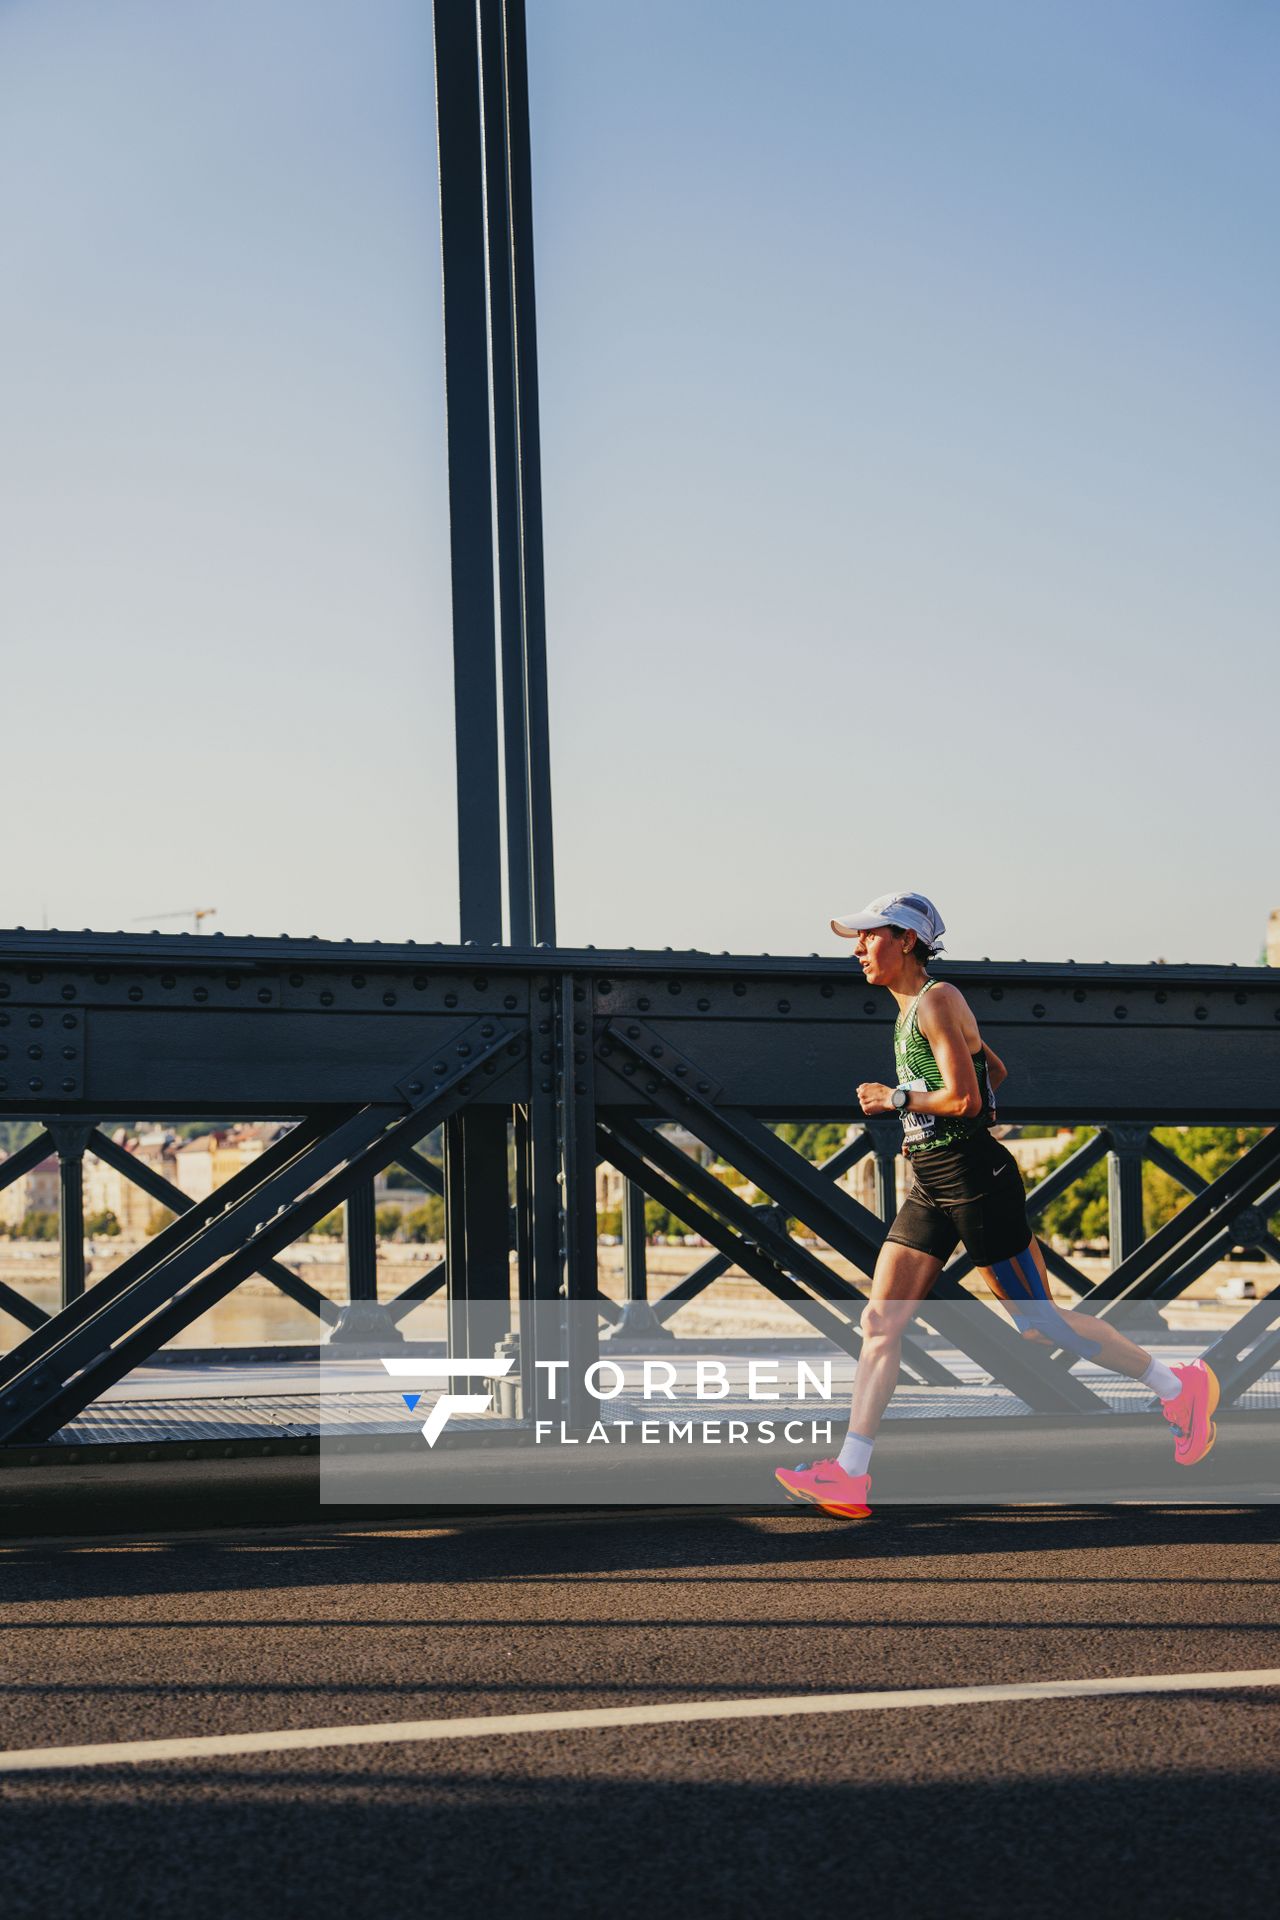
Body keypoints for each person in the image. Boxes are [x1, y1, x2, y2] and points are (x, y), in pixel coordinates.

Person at [776, 890, 1219, 1520]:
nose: (858, 948)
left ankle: (1179, 1388)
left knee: (1040, 1325)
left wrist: (898, 1100)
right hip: (932, 1180)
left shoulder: (937, 998)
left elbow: (968, 1102)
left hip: (976, 1179)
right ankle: (850, 1473)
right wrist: (930, 1118)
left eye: (870, 936)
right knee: (880, 1322)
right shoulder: (912, 1012)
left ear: (906, 940)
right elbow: (993, 1074)